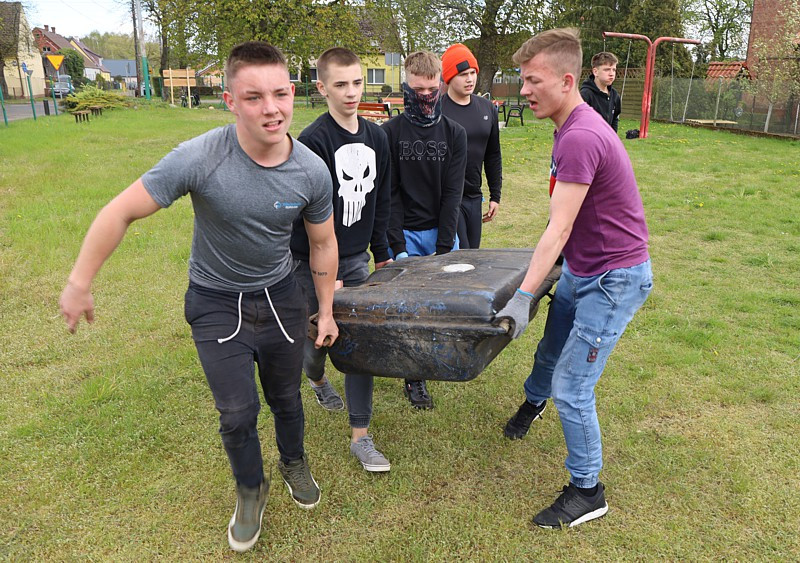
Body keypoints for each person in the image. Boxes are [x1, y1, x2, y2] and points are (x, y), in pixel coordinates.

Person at [58, 41, 339, 553]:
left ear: (293, 92)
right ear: (230, 101)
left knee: (285, 397)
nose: (271, 109)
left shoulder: (311, 170)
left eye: (280, 94)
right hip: (216, 301)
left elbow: (322, 243)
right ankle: (250, 489)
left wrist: (325, 310)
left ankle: (293, 460)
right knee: (237, 412)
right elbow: (120, 210)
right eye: (253, 97)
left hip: (281, 296)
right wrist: (80, 281)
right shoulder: (201, 157)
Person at [496, 29, 652, 529]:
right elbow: (569, 218)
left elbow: (558, 226)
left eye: (533, 80)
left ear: (566, 81)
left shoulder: (581, 135)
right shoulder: (570, 126)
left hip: (613, 280)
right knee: (549, 350)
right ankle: (533, 402)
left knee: (573, 386)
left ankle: (588, 491)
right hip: (581, 268)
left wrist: (522, 295)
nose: (524, 90)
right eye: (523, 79)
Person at [291, 47, 393, 472]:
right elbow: (301, 212)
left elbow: (381, 201)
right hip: (310, 261)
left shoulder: (378, 138)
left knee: (357, 341)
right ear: (322, 88)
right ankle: (315, 377)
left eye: (357, 82)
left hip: (355, 258)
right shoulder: (312, 142)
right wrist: (324, 278)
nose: (351, 92)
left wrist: (382, 254)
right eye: (341, 84)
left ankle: (360, 436)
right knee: (319, 337)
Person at [381, 50, 467, 410]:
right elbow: (390, 194)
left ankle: (437, 358)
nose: (426, 97)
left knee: (442, 306)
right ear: (406, 87)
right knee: (407, 310)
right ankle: (413, 376)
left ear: (441, 86)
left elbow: (453, 194)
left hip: (441, 232)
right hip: (404, 233)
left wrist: (445, 247)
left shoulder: (455, 134)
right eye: (418, 91)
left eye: (432, 90)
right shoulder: (389, 133)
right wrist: (398, 246)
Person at [440, 43, 503, 249]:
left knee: (473, 254)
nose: (469, 79)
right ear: (449, 78)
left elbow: (493, 154)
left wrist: (495, 196)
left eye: (472, 73)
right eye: (462, 74)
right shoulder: (438, 111)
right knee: (461, 254)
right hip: (447, 197)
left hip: (474, 196)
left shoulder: (487, 108)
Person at [580, 51, 622, 131]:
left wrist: (612, 136)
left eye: (614, 70)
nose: (611, 74)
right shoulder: (586, 95)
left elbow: (615, 119)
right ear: (595, 72)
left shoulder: (615, 95)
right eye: (607, 70)